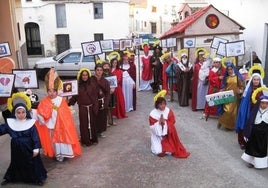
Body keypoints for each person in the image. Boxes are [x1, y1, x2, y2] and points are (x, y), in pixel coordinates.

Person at [35, 68, 82, 161]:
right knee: (54, 140)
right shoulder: (44, 101)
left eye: (53, 91)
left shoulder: (61, 100)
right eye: (49, 91)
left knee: (63, 140)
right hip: (51, 124)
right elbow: (40, 113)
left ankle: (64, 154)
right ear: (47, 91)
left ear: (56, 91)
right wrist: (43, 116)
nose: (51, 93)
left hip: (62, 125)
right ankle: (57, 154)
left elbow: (66, 114)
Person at [0, 92, 47, 186]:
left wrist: (36, 148)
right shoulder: (11, 123)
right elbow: (1, 129)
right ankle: (11, 177)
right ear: (15, 113)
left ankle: (38, 178)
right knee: (16, 162)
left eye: (23, 112)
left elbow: (35, 137)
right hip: (16, 148)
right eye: (18, 112)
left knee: (32, 162)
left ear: (26, 113)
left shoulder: (31, 124)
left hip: (29, 147)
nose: (21, 115)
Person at [68, 68, 99, 146]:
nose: (85, 77)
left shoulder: (92, 85)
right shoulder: (77, 86)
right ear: (81, 76)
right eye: (83, 75)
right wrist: (68, 103)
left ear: (88, 76)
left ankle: (93, 139)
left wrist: (96, 107)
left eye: (86, 75)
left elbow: (95, 97)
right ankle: (85, 141)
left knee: (92, 123)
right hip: (82, 108)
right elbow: (74, 97)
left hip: (91, 107)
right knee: (84, 124)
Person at [235, 73, 264, 149]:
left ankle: (253, 142)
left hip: (258, 110)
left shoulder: (262, 89)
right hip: (248, 109)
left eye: (258, 80)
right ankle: (242, 142)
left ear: (260, 81)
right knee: (245, 124)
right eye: (254, 79)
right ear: (252, 80)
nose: (256, 81)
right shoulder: (249, 89)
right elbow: (244, 98)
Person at [241, 94, 268, 169]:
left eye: (266, 103)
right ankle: (251, 162)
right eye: (262, 103)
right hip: (254, 133)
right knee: (252, 148)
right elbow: (250, 121)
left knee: (261, 148)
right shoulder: (255, 111)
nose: (264, 105)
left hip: (263, 134)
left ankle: (260, 163)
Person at [217, 62, 244, 130]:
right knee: (225, 110)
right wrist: (222, 90)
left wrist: (240, 91)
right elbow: (224, 86)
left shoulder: (238, 78)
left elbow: (242, 87)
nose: (229, 71)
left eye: (231, 69)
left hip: (234, 97)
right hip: (227, 96)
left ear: (233, 69)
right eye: (228, 69)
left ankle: (230, 126)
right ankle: (221, 122)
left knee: (232, 112)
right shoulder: (226, 77)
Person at [91, 63, 110, 138]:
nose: (99, 72)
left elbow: (108, 93)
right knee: (94, 117)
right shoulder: (91, 80)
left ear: (103, 71)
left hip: (102, 101)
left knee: (101, 117)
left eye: (101, 70)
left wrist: (106, 103)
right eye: (97, 70)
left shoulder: (105, 81)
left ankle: (100, 131)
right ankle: (93, 132)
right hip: (93, 102)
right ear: (95, 71)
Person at [102, 60, 117, 126]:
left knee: (111, 107)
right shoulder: (101, 75)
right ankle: (106, 122)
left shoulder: (112, 74)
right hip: (105, 94)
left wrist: (113, 88)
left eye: (107, 66)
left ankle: (111, 121)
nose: (106, 67)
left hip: (111, 93)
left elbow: (114, 83)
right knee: (106, 107)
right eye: (105, 66)